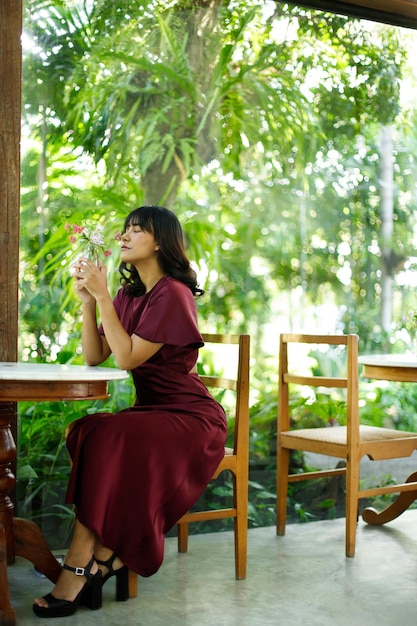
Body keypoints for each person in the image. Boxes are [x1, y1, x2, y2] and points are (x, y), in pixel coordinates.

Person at [33, 205, 227, 618]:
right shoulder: (128, 294)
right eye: (124, 230)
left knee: (106, 435)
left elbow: (127, 359)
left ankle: (78, 569)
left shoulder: (173, 293)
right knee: (83, 431)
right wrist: (89, 302)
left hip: (191, 420)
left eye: (136, 230)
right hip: (153, 414)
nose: (124, 236)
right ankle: (104, 558)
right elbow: (94, 356)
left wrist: (103, 293)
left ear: (160, 242)